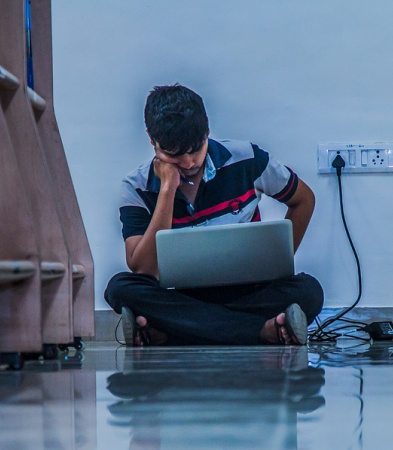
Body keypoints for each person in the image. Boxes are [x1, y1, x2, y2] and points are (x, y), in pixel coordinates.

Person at [104, 84, 324, 346]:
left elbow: (303, 199)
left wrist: (278, 261)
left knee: (310, 291)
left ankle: (171, 332)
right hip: (181, 296)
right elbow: (143, 268)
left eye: (195, 149)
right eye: (174, 155)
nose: (187, 163)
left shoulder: (247, 159)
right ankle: (262, 331)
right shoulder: (136, 186)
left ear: (207, 128)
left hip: (249, 292)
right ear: (152, 140)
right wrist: (166, 190)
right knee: (120, 289)